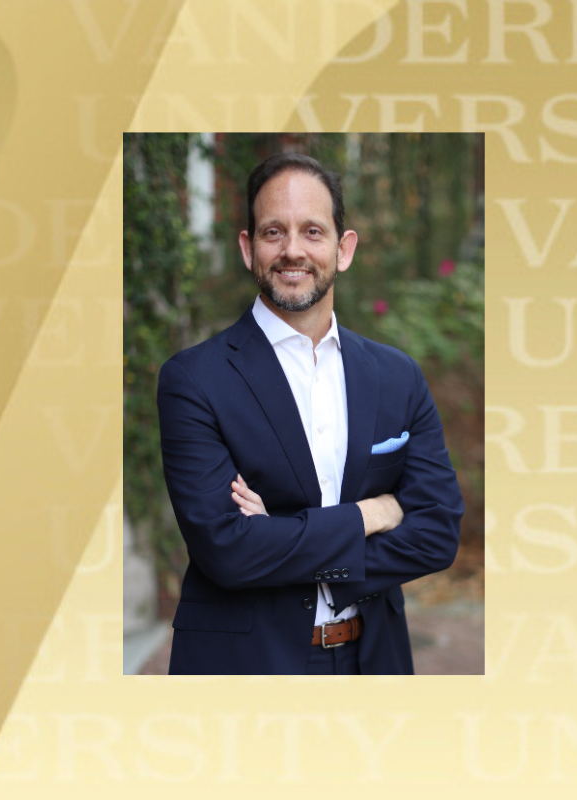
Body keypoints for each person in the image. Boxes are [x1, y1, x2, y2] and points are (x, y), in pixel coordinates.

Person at [156, 152, 464, 675]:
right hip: (245, 667)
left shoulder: (397, 377)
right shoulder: (194, 380)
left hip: (376, 660)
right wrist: (372, 515)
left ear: (344, 249)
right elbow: (227, 550)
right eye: (274, 232)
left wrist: (277, 537)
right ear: (247, 247)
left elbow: (436, 534)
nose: (292, 250)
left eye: (313, 232)